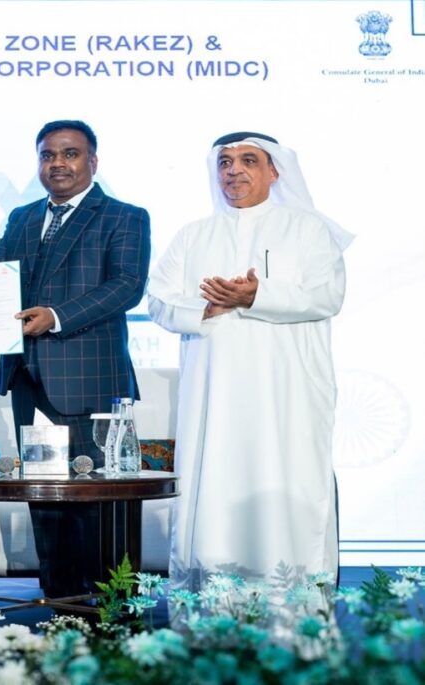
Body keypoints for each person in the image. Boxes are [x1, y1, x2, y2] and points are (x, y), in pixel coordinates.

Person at [0, 120, 150, 598]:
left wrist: (56, 317)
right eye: (47, 155)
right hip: (28, 380)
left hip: (90, 383)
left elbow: (126, 286)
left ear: (93, 161)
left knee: (97, 501)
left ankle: (109, 608)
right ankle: (60, 601)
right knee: (45, 500)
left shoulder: (124, 216)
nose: (58, 163)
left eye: (70, 154)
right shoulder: (23, 217)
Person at [147, 132, 350, 589]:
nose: (233, 170)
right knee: (214, 490)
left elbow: (328, 295)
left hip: (287, 396)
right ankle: (213, 606)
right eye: (225, 162)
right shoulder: (193, 235)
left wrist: (258, 294)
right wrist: (206, 308)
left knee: (288, 485)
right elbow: (158, 300)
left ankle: (289, 608)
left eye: (248, 160)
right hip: (214, 395)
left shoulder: (308, 230)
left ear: (275, 172)